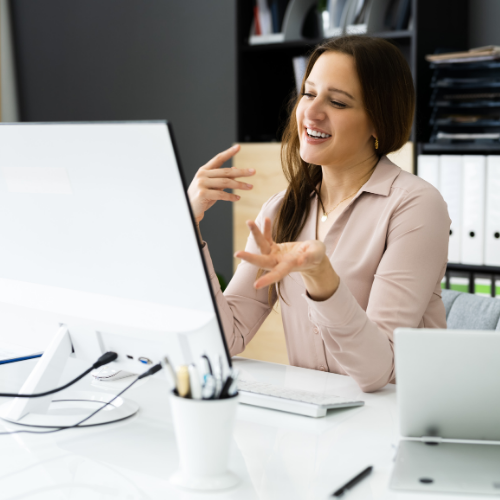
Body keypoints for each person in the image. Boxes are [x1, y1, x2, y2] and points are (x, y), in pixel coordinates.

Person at [188, 35, 450, 392]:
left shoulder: (415, 206)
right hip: (317, 428)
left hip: (395, 425)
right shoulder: (282, 210)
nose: (311, 112)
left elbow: (377, 372)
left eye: (338, 102)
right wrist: (188, 227)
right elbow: (226, 337)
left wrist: (322, 279)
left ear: (379, 122)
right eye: (309, 93)